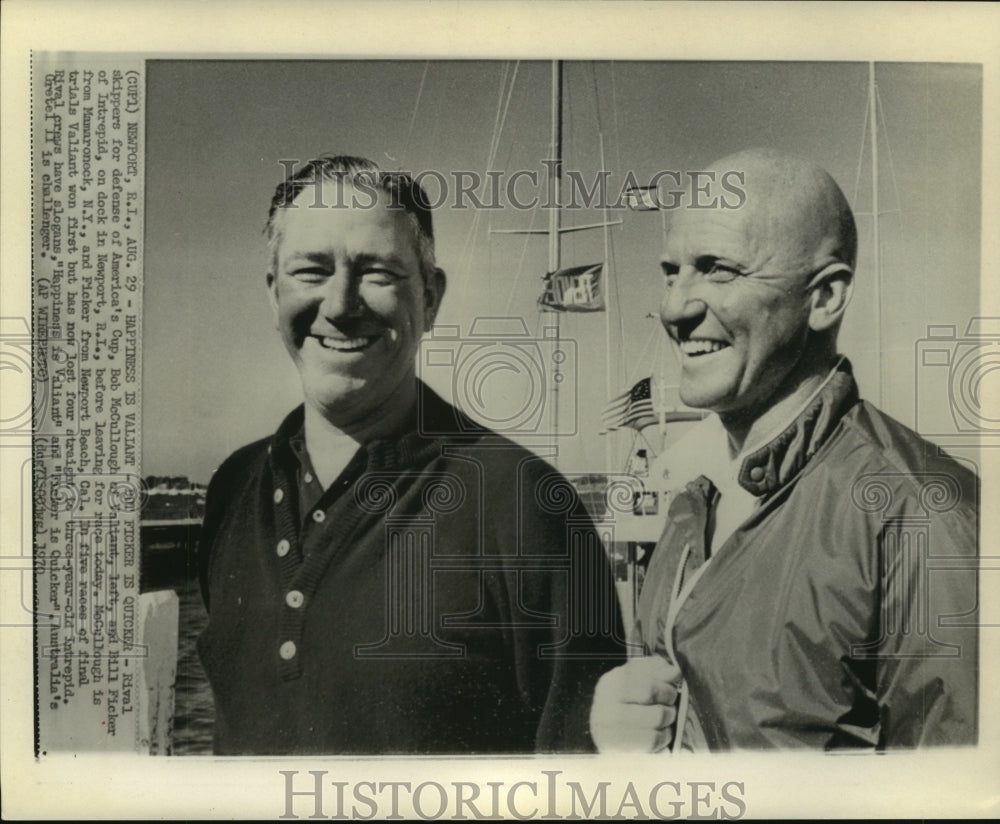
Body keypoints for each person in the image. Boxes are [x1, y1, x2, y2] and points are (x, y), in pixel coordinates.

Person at [197, 155, 626, 754]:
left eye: (377, 272)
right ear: (273, 293)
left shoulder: (525, 502)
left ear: (431, 295)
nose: (341, 304)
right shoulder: (234, 489)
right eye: (311, 270)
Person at [589, 148, 978, 751]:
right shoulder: (692, 505)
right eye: (672, 271)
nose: (673, 308)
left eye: (718, 269)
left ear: (823, 298)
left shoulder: (919, 511)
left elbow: (955, 793)